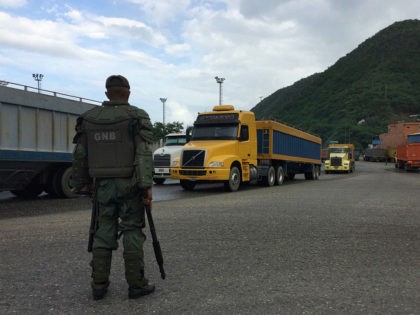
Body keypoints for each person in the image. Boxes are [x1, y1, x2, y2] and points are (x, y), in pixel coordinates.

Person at [71, 75, 155, 300]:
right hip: (130, 184)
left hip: (102, 186)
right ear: (128, 92)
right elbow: (144, 152)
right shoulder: (136, 116)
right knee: (132, 230)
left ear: (107, 93)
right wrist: (146, 185)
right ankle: (136, 285)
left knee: (103, 231)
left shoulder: (88, 119)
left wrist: (82, 183)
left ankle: (99, 285)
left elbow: (80, 155)